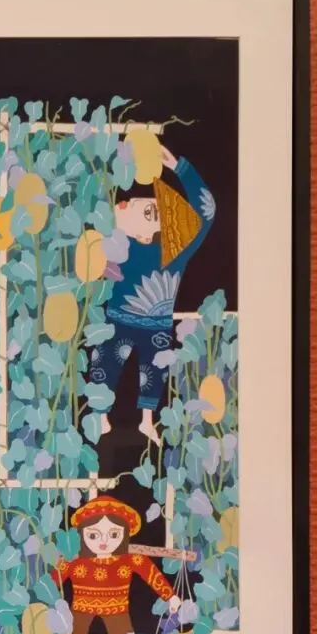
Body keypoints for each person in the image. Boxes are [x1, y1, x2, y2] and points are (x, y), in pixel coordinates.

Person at [92, 144, 216, 445]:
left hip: (156, 324)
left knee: (154, 371)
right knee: (105, 365)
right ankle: (100, 416)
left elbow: (207, 212)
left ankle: (147, 421)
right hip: (117, 320)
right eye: (132, 201)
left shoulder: (173, 253)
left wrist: (179, 167)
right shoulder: (112, 244)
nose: (130, 203)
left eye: (148, 210)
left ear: (147, 234)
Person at [51, 497, 180, 634]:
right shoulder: (73, 559)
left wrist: (170, 596)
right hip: (81, 607)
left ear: (124, 535)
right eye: (93, 535)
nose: (103, 542)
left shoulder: (130, 559)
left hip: (117, 607)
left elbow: (152, 575)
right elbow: (52, 581)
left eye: (113, 535)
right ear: (82, 535)